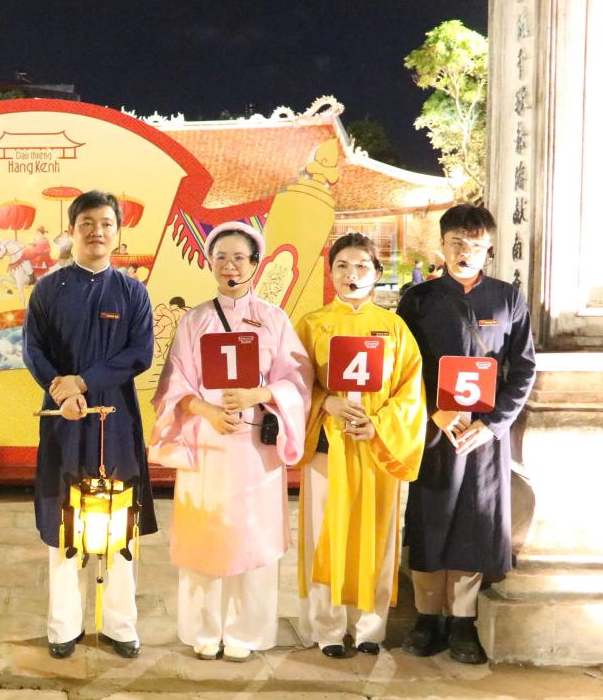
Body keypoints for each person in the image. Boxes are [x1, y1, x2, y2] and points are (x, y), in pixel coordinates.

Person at [149, 222, 311, 661]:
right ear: (209, 264)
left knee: (252, 536)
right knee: (207, 533)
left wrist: (262, 394)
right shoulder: (194, 320)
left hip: (255, 446)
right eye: (221, 257)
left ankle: (246, 630)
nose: (230, 266)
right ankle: (204, 628)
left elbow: (297, 382)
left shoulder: (275, 320)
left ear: (255, 265)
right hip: (208, 442)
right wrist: (205, 411)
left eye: (240, 257)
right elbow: (173, 384)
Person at [396, 205, 536, 664]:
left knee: (472, 525)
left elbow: (523, 368)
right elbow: (401, 369)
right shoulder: (417, 300)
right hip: (435, 433)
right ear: (442, 245)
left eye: (475, 245)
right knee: (429, 520)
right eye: (457, 243)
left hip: (482, 436)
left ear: (489, 249)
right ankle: (425, 618)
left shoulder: (508, 299)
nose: (465, 252)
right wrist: (432, 412)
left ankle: (461, 622)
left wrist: (494, 425)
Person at [22, 189, 157, 660]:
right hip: (63, 420)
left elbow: (140, 353)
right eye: (87, 224)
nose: (96, 232)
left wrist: (85, 381)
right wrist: (61, 388)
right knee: (65, 519)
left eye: (105, 223)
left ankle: (120, 625)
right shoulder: (48, 289)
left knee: (119, 520)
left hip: (116, 419)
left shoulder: (133, 292)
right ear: (72, 230)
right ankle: (63, 626)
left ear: (117, 232)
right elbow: (32, 349)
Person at [294, 233, 426, 658]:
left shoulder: (394, 328)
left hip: (375, 447)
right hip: (327, 447)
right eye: (343, 267)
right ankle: (328, 627)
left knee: (377, 535)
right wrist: (325, 401)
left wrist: (379, 425)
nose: (352, 275)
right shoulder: (312, 324)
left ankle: (370, 628)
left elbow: (410, 393)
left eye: (362, 267)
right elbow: (293, 384)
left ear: (377, 273)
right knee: (325, 536)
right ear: (329, 272)